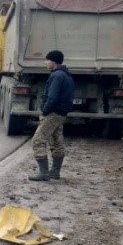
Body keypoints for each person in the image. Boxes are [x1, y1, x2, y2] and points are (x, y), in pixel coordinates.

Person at [29, 50, 74, 181]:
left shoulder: (57, 76)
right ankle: (55, 172)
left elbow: (52, 97)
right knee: (56, 141)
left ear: (53, 61)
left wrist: (44, 111)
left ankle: (43, 173)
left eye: (47, 60)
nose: (45, 62)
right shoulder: (67, 75)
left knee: (37, 140)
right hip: (61, 114)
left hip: (53, 113)